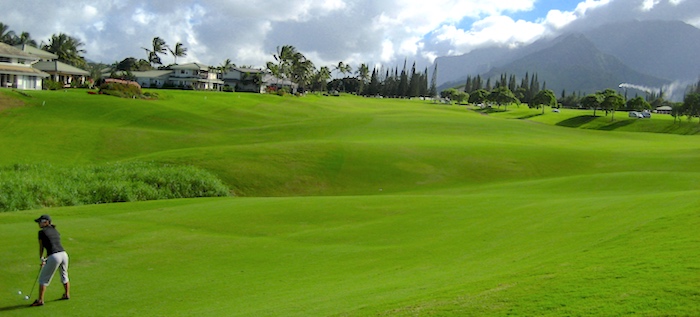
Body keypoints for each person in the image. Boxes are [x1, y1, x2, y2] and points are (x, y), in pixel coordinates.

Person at [30, 214, 70, 307]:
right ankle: (67, 294)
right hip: (64, 254)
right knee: (64, 274)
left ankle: (40, 300)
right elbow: (53, 245)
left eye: (40, 222)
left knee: (43, 279)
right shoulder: (55, 230)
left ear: (46, 222)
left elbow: (42, 246)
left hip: (54, 256)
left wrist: (42, 258)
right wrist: (46, 259)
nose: (39, 224)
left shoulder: (41, 232)